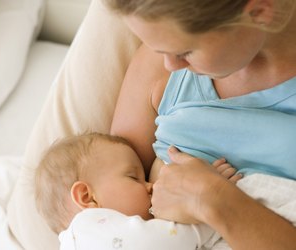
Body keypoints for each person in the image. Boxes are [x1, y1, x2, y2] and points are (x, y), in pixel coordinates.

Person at [106, 0, 296, 249]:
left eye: (185, 52)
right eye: (158, 49)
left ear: (259, 12)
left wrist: (213, 199)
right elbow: (107, 205)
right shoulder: (159, 68)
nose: (170, 66)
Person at [35, 132, 243, 250]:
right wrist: (207, 199)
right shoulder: (88, 229)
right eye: (133, 177)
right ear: (87, 197)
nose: (150, 186)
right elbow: (167, 241)